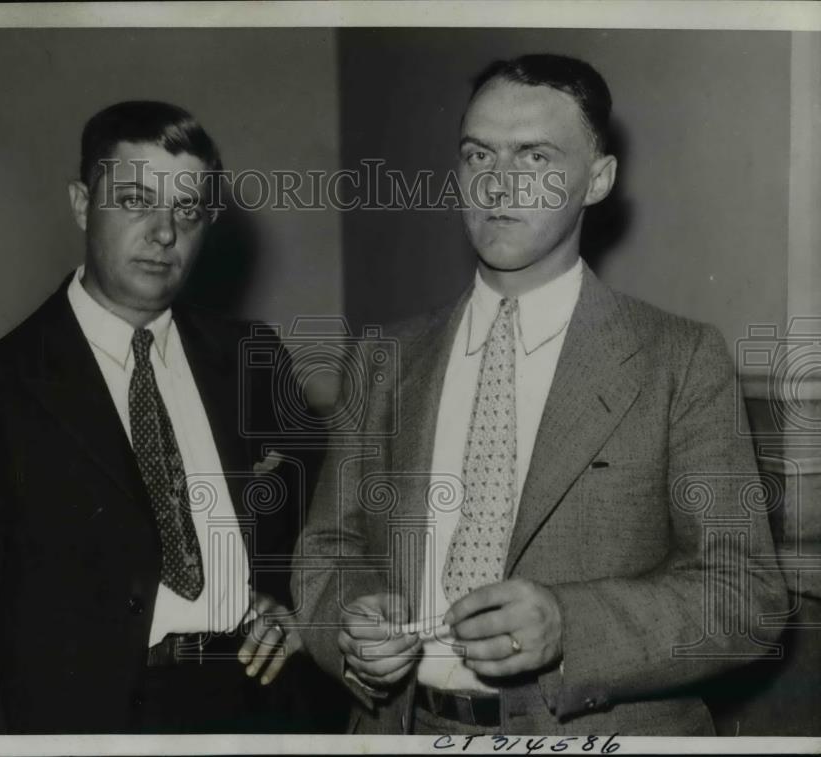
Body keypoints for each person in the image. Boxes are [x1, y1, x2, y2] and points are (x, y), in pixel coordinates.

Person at [292, 54, 788, 736]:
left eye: (535, 157)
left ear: (599, 179)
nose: (498, 184)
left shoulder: (679, 359)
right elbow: (329, 550)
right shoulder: (385, 356)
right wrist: (349, 622)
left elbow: (746, 596)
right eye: (478, 155)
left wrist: (570, 625)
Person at [0, 100, 322, 734]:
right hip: (83, 722)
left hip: (258, 706)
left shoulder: (252, 359)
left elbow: (326, 517)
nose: (164, 232)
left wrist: (296, 603)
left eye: (187, 208)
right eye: (135, 200)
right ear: (81, 204)